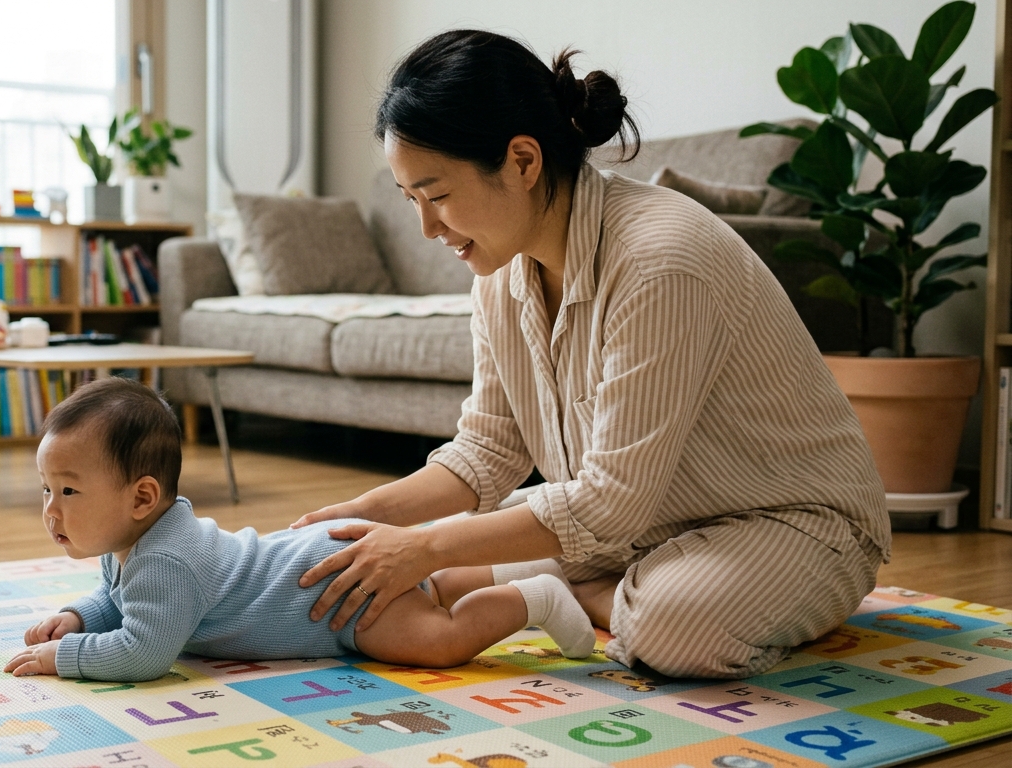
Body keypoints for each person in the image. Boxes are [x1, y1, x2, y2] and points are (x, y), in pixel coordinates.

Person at [292, 29, 891, 680]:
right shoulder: (498, 276)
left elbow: (610, 502)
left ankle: (586, 594)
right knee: (409, 569)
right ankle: (604, 587)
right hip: (645, 526)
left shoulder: (660, 263)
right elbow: (487, 453)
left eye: (436, 196)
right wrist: (362, 515)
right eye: (411, 200)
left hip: (793, 526)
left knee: (673, 629)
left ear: (523, 161)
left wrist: (426, 546)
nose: (428, 228)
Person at [3, 377, 598, 683]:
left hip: (335, 599)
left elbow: (144, 651)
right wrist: (82, 616)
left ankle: (532, 599)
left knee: (435, 639)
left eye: (69, 491)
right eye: (46, 490)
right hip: (326, 562)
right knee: (428, 588)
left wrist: (69, 655)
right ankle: (524, 566)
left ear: (142, 497)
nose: (51, 509)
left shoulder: (167, 562)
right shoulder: (134, 543)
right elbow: (120, 601)